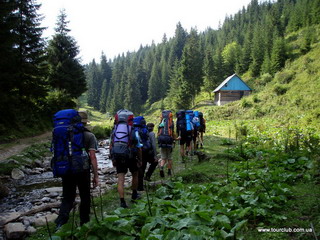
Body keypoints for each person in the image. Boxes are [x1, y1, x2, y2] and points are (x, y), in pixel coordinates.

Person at [55, 110, 99, 229]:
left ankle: (60, 222)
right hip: (83, 170)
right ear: (85, 122)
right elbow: (93, 157)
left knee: (68, 196)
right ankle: (84, 223)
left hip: (67, 169)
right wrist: (96, 176)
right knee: (85, 196)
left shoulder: (64, 134)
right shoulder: (89, 136)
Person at [110, 109, 141, 208]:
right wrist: (140, 159)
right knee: (135, 174)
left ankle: (122, 202)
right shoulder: (132, 129)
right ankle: (134, 194)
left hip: (118, 156)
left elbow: (111, 146)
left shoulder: (114, 130)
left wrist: (113, 159)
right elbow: (139, 146)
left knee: (120, 179)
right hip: (131, 156)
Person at [138, 122, 158, 187]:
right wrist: (155, 155)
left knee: (142, 167)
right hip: (149, 152)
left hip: (141, 152)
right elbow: (154, 145)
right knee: (155, 162)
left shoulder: (141, 132)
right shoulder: (152, 133)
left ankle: (140, 185)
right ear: (153, 128)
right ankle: (147, 176)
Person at [158, 110, 176, 178]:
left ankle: (162, 167)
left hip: (162, 141)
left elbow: (158, 133)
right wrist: (175, 139)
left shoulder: (161, 123)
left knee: (163, 158)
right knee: (169, 158)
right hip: (169, 141)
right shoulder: (171, 123)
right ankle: (169, 172)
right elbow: (172, 132)